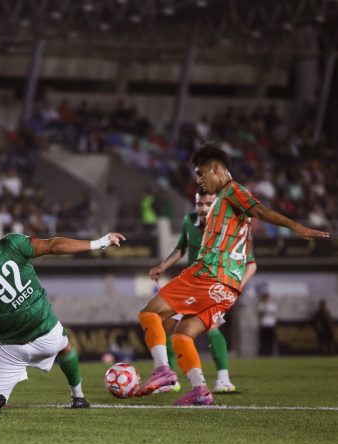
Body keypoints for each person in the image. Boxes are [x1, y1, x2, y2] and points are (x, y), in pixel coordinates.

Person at [135, 144, 328, 406]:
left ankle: (162, 372)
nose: (198, 179)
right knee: (182, 335)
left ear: (216, 168)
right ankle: (200, 390)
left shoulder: (232, 191)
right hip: (227, 289)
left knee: (149, 314)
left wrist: (296, 227)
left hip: (207, 275)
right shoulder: (224, 204)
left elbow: (260, 211)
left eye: (201, 173)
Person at [0, 220, 126, 415]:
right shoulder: (10, 243)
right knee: (65, 347)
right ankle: (78, 397)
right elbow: (53, 245)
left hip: (10, 351)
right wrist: (100, 243)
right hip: (47, 335)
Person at [149, 189, 257, 393]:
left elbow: (250, 264)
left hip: (215, 287)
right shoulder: (189, 221)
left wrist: (236, 288)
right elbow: (181, 248)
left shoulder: (228, 226)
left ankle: (223, 380)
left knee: (212, 327)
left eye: (209, 204)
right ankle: (170, 379)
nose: (204, 208)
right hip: (191, 287)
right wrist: (163, 266)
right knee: (166, 326)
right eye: (200, 204)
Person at [257, 289, 278, 356]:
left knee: (270, 340)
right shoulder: (261, 304)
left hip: (271, 324)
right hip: (264, 324)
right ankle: (263, 353)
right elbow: (261, 313)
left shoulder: (272, 305)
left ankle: (270, 353)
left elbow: (275, 314)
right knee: (264, 340)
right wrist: (265, 308)